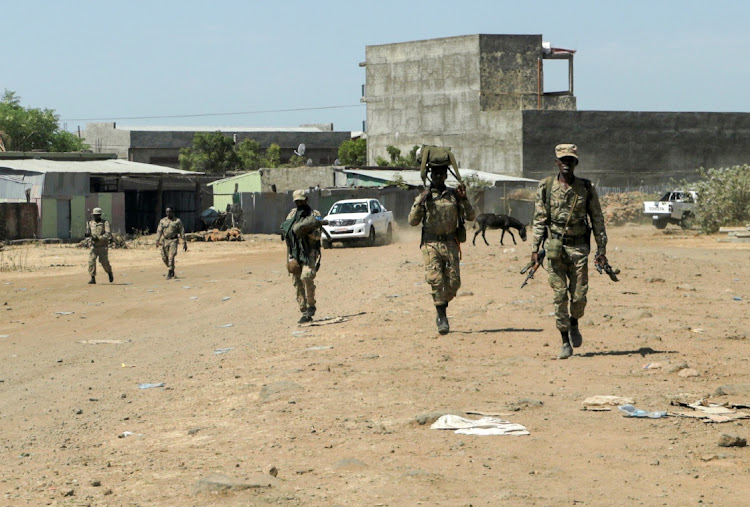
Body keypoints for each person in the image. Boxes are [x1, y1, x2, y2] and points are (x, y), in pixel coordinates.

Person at [530, 144, 608, 359]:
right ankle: (564, 341)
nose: (566, 163)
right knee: (559, 295)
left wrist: (601, 249)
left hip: (579, 248)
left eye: (570, 160)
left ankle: (574, 322)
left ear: (576, 163)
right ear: (557, 162)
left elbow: (597, 219)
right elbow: (539, 220)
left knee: (580, 296)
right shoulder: (546, 186)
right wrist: (535, 249)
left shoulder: (586, 188)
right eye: (563, 160)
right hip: (555, 248)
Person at [408, 164, 476, 334]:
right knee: (436, 280)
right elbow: (412, 221)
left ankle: (442, 304)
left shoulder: (454, 195)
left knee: (454, 283)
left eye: (441, 174)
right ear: (431, 176)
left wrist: (464, 199)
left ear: (446, 176)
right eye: (435, 174)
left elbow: (471, 216)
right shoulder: (425, 196)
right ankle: (442, 317)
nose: (438, 177)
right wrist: (421, 201)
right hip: (430, 244)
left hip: (451, 243)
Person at [280, 189, 327, 324]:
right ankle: (304, 310)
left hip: (310, 252)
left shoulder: (315, 214)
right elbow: (286, 232)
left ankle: (311, 305)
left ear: (306, 200)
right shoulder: (292, 215)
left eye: (302, 200)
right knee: (297, 282)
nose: (300, 203)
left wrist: (307, 232)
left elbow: (318, 236)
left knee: (306, 276)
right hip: (295, 253)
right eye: (297, 201)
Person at [155, 206, 187, 280]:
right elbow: (159, 231)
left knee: (171, 257)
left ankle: (170, 272)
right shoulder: (163, 221)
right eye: (167, 212)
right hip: (165, 241)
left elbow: (182, 231)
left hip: (173, 241)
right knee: (164, 258)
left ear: (173, 212)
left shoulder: (177, 221)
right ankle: (171, 269)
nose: (168, 213)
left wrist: (184, 242)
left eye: (170, 212)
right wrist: (157, 240)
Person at [85, 207, 114, 284]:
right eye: (94, 215)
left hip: (102, 246)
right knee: (91, 261)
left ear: (100, 215)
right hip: (93, 246)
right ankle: (92, 278)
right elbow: (88, 234)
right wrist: (88, 237)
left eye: (97, 215)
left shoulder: (105, 223)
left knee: (104, 262)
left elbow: (108, 233)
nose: (96, 216)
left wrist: (99, 238)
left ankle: (109, 272)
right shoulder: (90, 223)